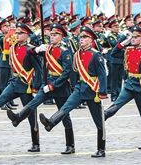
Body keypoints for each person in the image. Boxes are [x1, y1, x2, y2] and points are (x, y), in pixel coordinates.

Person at [38, 26, 108, 158]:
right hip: (80, 88)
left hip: (92, 90)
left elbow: (102, 75)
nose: (81, 40)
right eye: (80, 37)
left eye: (85, 37)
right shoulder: (77, 54)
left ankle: (101, 148)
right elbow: (74, 73)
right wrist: (74, 86)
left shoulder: (96, 54)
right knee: (66, 107)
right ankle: (51, 122)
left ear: (91, 39)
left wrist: (102, 92)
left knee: (98, 121)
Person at [6, 23, 75, 154]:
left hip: (59, 86)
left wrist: (53, 85)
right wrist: (36, 50)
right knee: (34, 101)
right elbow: (28, 51)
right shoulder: (47, 48)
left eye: (55, 35)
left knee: (64, 114)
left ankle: (70, 145)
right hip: (47, 82)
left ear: (61, 37)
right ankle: (18, 117)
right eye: (51, 34)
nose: (52, 37)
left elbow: (67, 73)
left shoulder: (64, 51)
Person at [0, 22, 43, 152]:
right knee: (0, 100)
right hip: (15, 82)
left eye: (20, 33)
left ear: (27, 35)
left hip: (27, 85)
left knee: (31, 115)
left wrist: (36, 88)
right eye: (16, 33)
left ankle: (36, 143)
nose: (17, 35)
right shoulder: (13, 47)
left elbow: (39, 70)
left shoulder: (31, 50)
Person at [103, 26, 141, 150]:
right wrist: (123, 43)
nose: (133, 39)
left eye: (136, 37)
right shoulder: (128, 50)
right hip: (129, 84)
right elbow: (114, 53)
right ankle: (104, 116)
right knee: (117, 103)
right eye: (132, 36)